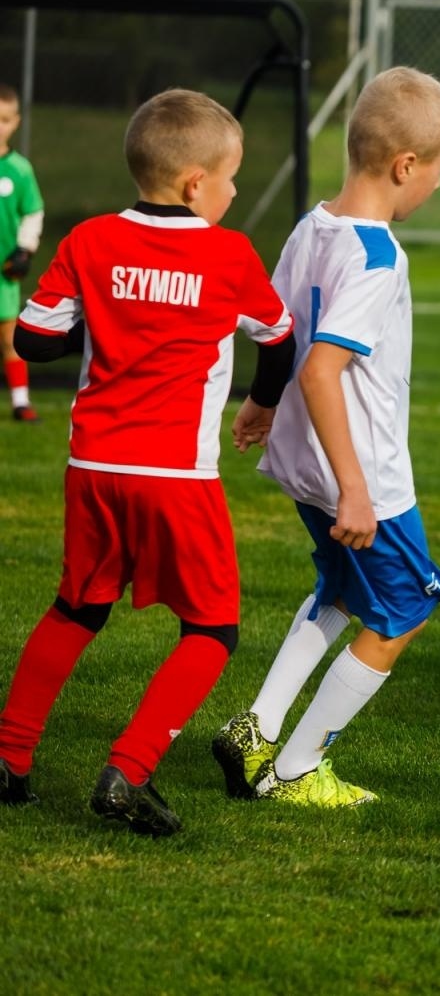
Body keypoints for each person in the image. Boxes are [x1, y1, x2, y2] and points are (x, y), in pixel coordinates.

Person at [0, 90, 294, 836]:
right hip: (176, 477)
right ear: (196, 183)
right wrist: (260, 404)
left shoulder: (92, 239)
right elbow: (279, 340)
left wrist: (111, 326)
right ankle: (128, 770)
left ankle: (10, 759)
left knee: (77, 607)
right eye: (232, 178)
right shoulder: (228, 253)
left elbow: (32, 340)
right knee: (212, 629)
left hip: (92, 465)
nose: (234, 192)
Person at [211, 67, 440, 808]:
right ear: (405, 167)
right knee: (402, 612)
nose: (439, 187)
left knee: (340, 590)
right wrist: (358, 489)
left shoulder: (312, 224)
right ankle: (296, 769)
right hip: (362, 477)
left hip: (302, 462)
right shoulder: (379, 256)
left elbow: (278, 330)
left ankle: (255, 726)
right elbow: (323, 370)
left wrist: (261, 404)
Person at [0, 83, 46, 422]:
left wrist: (24, 250)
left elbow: (33, 211)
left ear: (15, 122)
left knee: (8, 336)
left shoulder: (20, 169)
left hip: (3, 273)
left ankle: (20, 402)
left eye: (4, 119)